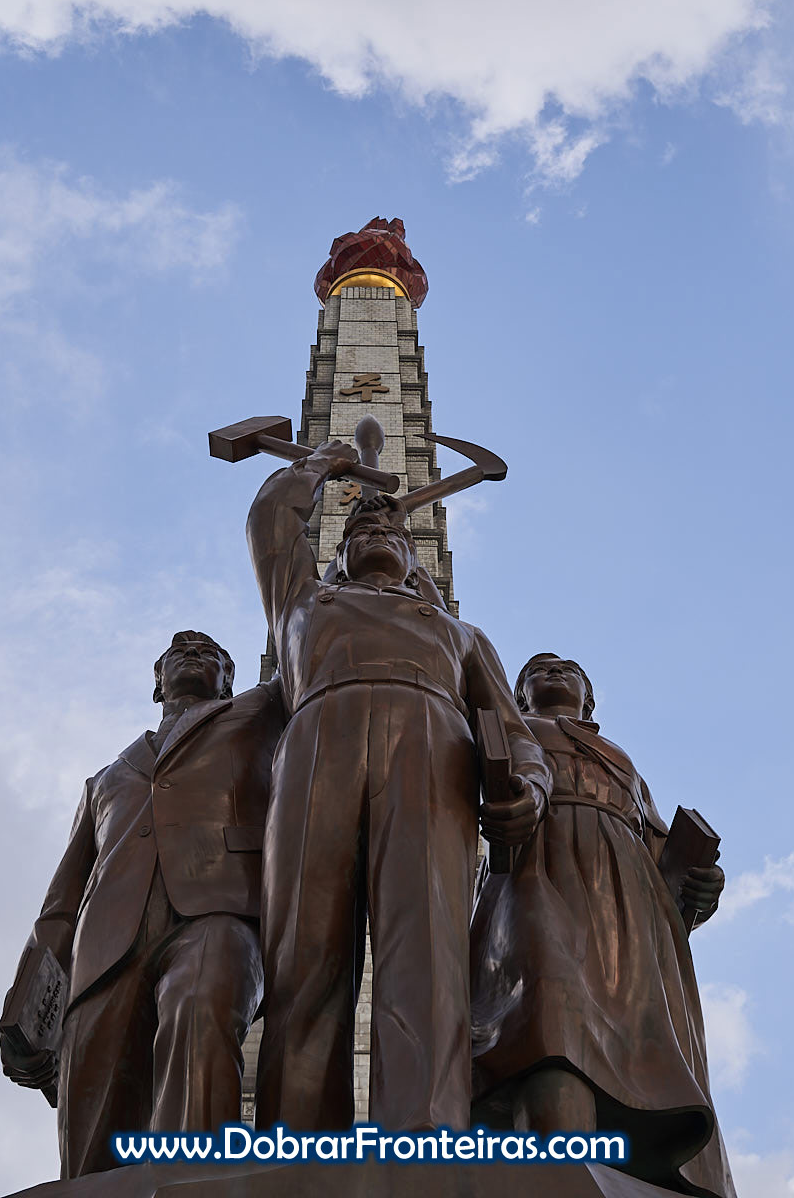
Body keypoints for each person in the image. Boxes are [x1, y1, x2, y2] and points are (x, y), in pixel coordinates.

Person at [246, 445, 549, 1131]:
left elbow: (514, 729)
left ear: (417, 562)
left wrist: (528, 788)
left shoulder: (461, 634)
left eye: (391, 533)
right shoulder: (300, 602)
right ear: (337, 556)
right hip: (317, 752)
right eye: (360, 533)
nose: (377, 536)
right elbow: (270, 519)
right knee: (303, 955)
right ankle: (295, 1144)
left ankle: (425, 1136)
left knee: (427, 957)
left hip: (433, 760)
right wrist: (319, 464)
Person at [0, 631, 285, 1178]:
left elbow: (304, 643)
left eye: (210, 653)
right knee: (94, 1102)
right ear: (156, 683)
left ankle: (192, 1182)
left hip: (217, 910)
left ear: (231, 681)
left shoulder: (259, 715)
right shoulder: (104, 780)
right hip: (106, 946)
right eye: (180, 651)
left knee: (200, 1014)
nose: (193, 653)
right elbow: (61, 903)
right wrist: (25, 1002)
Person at [468, 652, 736, 1198]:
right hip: (534, 866)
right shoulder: (508, 729)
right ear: (519, 694)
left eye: (568, 668)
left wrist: (700, 883)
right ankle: (554, 1155)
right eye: (537, 670)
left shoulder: (619, 759)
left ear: (589, 700)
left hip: (624, 894)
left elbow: (658, 845)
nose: (554, 672)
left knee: (639, 1029)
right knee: (542, 1002)